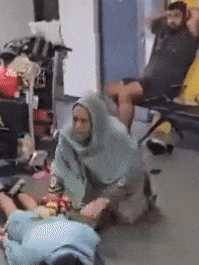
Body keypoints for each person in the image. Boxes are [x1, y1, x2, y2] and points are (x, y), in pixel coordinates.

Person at [48, 93, 152, 228]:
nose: (78, 126)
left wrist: (105, 200)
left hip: (125, 187)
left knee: (122, 217)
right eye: (75, 119)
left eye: (84, 121)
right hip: (94, 182)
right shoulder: (68, 135)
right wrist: (54, 193)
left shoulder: (116, 136)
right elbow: (60, 165)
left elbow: (133, 172)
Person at [104, 1, 199, 129]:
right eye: (170, 16)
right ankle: (112, 131)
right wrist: (168, 14)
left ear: (186, 17)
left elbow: (198, 14)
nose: (172, 19)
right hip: (147, 81)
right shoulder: (163, 29)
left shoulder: (190, 35)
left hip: (166, 86)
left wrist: (182, 11)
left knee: (126, 94)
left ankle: (122, 137)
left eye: (177, 16)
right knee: (109, 88)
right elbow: (148, 20)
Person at [0, 179, 100, 265]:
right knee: (12, 211)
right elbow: (13, 254)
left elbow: (91, 233)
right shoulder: (32, 256)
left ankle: (19, 192)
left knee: (36, 209)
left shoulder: (87, 239)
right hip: (28, 228)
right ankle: (0, 191)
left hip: (54, 220)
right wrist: (5, 238)